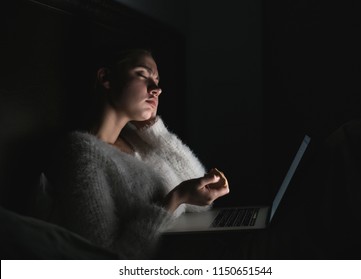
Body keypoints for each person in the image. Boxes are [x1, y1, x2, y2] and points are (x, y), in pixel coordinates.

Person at [45, 48, 229, 259]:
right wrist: (176, 198)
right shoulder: (82, 154)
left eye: (157, 81)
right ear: (106, 78)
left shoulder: (138, 139)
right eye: (142, 74)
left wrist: (153, 129)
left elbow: (201, 205)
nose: (156, 89)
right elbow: (106, 258)